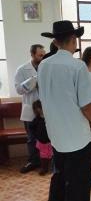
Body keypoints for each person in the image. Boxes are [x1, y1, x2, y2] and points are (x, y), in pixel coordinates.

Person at [39, 20, 91, 201]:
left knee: (60, 175)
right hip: (76, 135)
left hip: (56, 133)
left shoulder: (44, 65)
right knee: (78, 181)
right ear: (73, 39)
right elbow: (86, 105)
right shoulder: (77, 66)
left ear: (55, 42)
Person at [14, 44, 45, 173]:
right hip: (30, 108)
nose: (43, 57)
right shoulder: (22, 70)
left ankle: (46, 161)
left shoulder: (46, 67)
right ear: (32, 55)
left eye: (44, 55)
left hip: (45, 109)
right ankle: (33, 161)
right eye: (40, 55)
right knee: (32, 137)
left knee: (46, 136)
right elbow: (19, 89)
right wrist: (33, 81)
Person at [31, 100, 52, 175]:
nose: (39, 110)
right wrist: (36, 136)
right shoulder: (36, 119)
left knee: (52, 154)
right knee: (43, 156)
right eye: (37, 108)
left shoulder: (50, 118)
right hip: (41, 141)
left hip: (51, 141)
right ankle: (44, 168)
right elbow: (31, 128)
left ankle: (54, 168)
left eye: (40, 108)